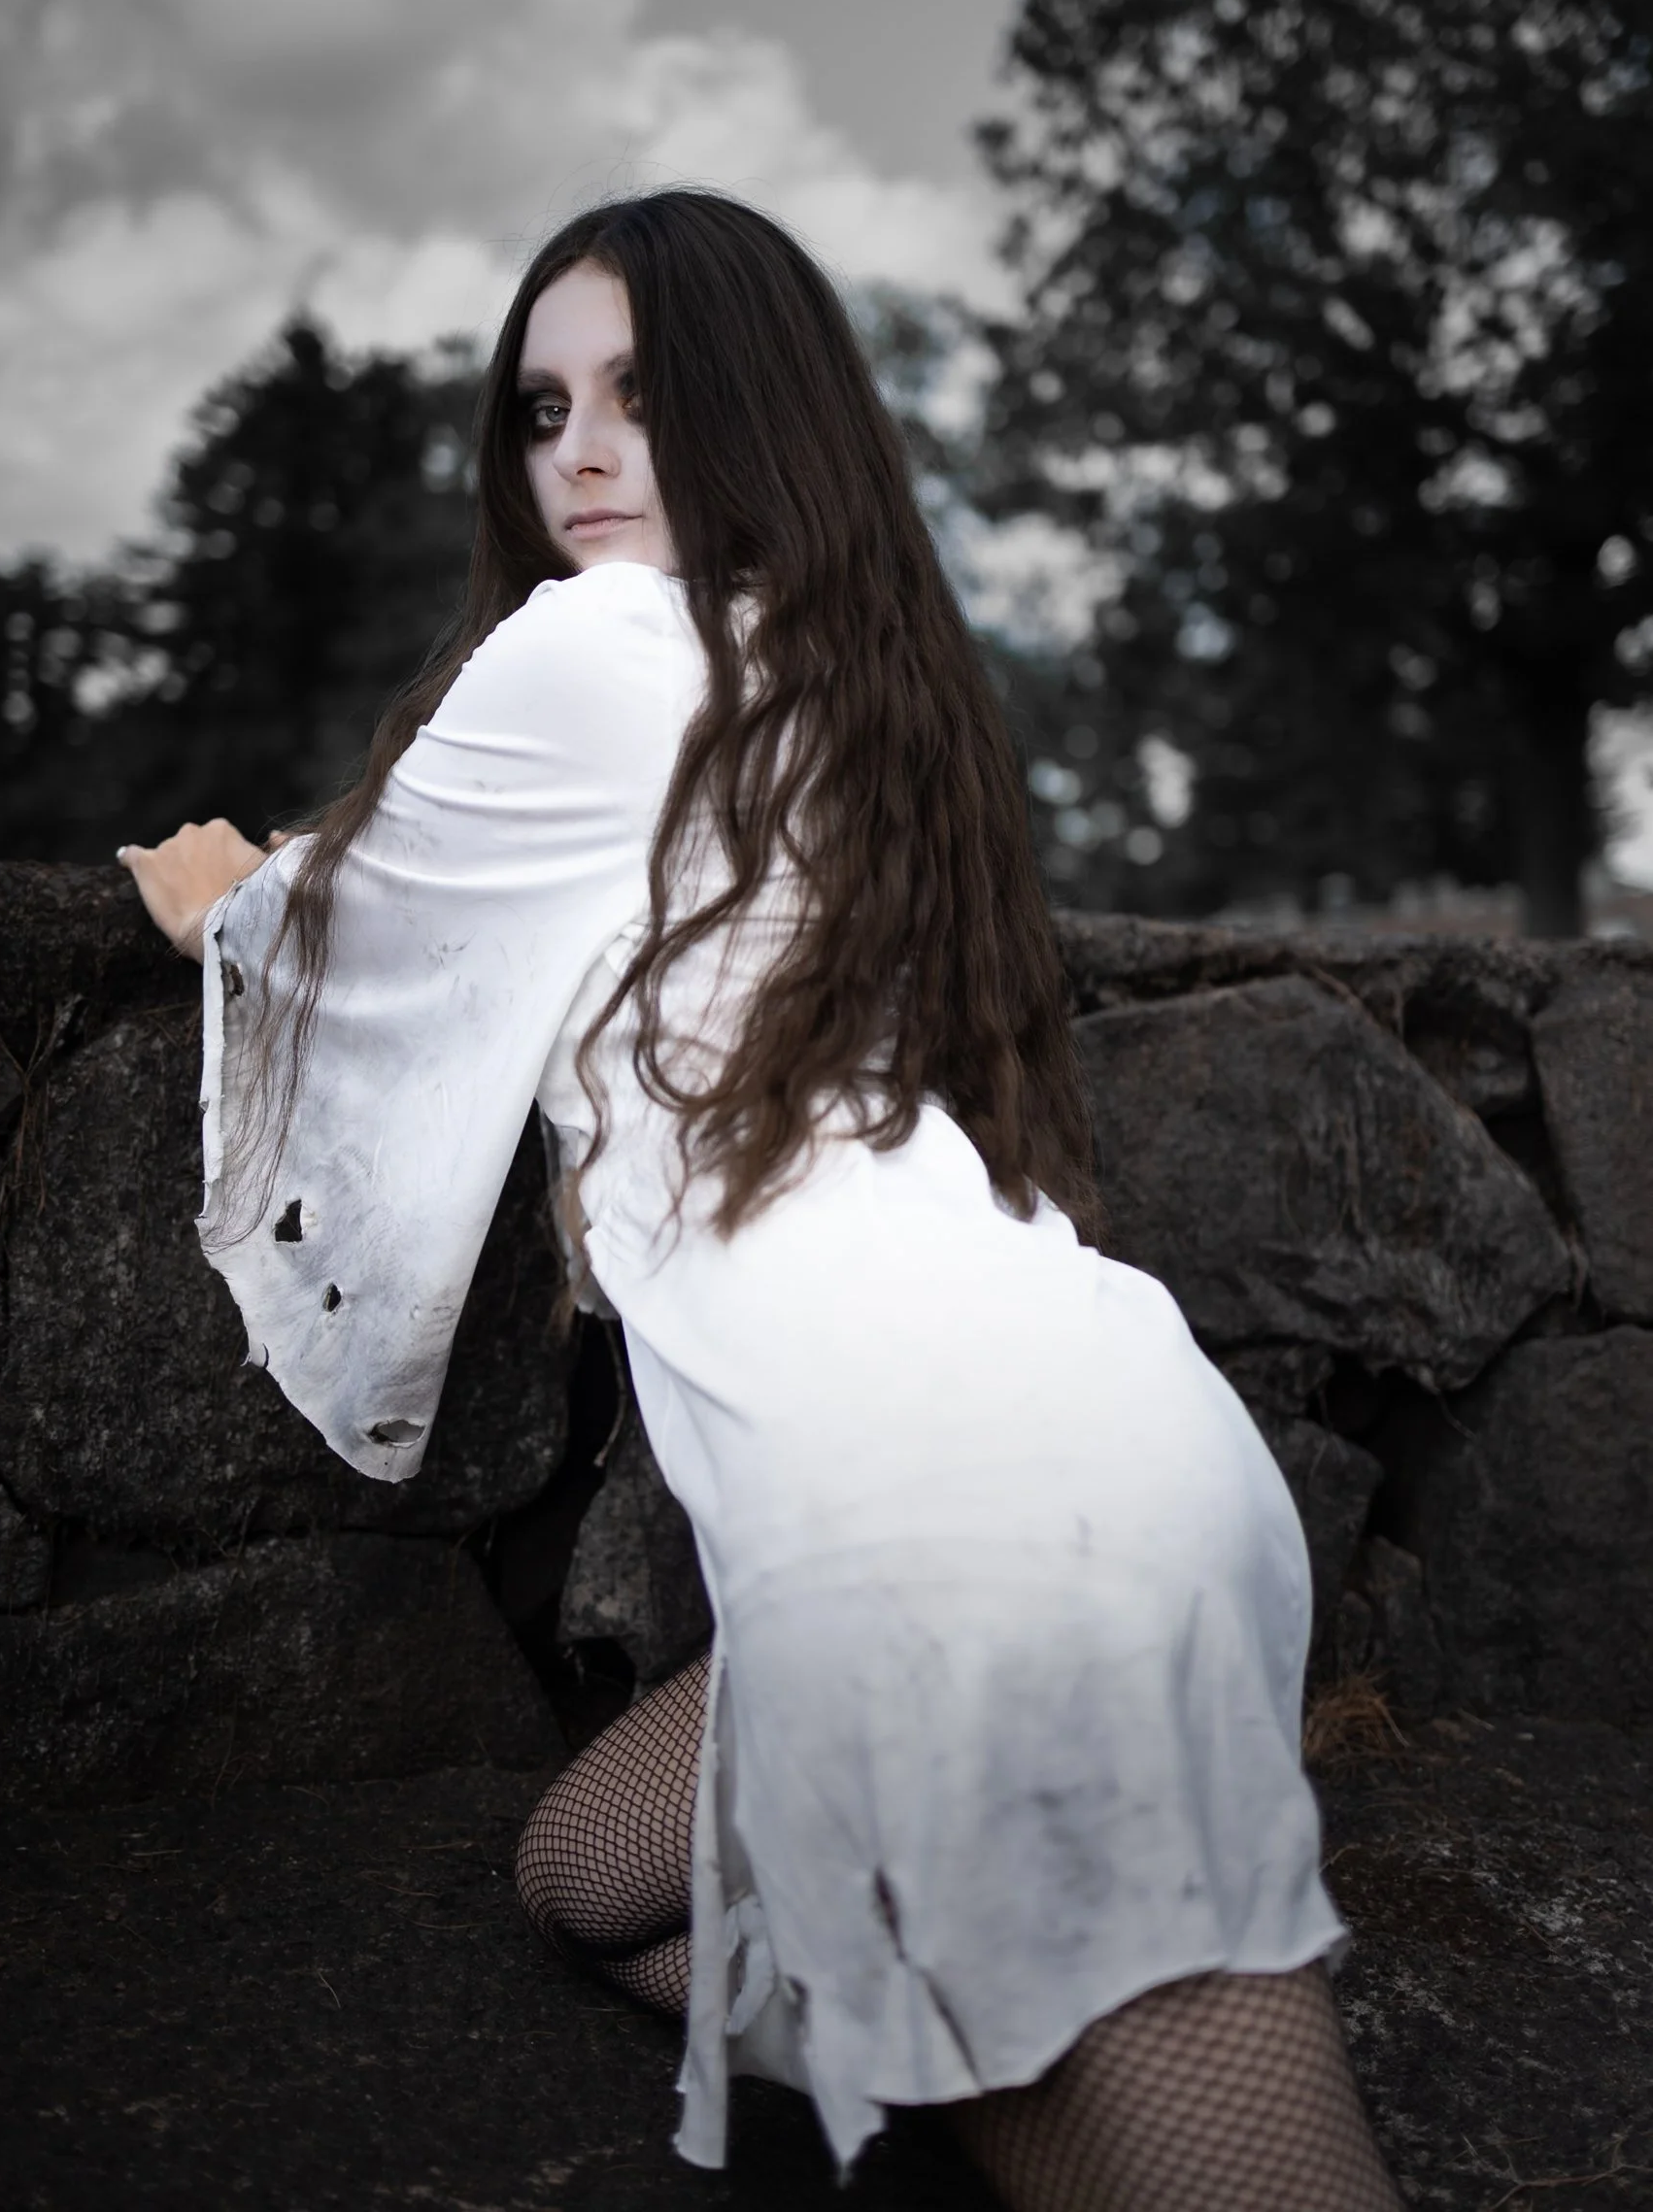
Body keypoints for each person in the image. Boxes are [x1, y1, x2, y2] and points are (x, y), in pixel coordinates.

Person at [119, 188, 1405, 2211]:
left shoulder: (603, 641)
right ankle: (1006, 2038)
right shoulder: (847, 685)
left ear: (762, 407)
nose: (580, 453)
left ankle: (1038, 2026)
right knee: (582, 1877)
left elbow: (353, 922)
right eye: (541, 409)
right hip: (1107, 1446)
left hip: (966, 1531)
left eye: (641, 392)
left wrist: (227, 916)